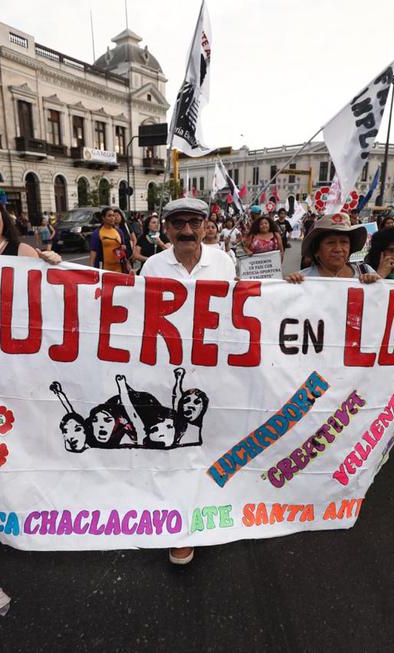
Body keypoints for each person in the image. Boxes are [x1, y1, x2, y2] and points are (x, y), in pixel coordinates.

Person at [138, 197, 235, 565]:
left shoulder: (224, 263)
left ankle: (206, 510)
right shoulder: (152, 265)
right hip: (167, 370)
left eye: (194, 222)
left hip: (214, 370)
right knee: (174, 446)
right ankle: (178, 526)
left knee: (210, 442)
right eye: (178, 223)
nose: (187, 231)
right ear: (166, 229)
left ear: (206, 226)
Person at [285, 214, 379, 283]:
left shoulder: (366, 272)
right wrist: (289, 287)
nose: (338, 249)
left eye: (344, 242)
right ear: (317, 250)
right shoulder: (302, 279)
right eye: (330, 243)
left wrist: (377, 285)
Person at [88, 207, 130, 273]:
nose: (112, 218)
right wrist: (91, 268)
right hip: (104, 269)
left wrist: (127, 264)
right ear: (103, 218)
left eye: (113, 215)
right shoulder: (97, 233)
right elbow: (93, 253)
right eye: (109, 216)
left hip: (119, 269)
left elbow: (123, 250)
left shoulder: (119, 232)